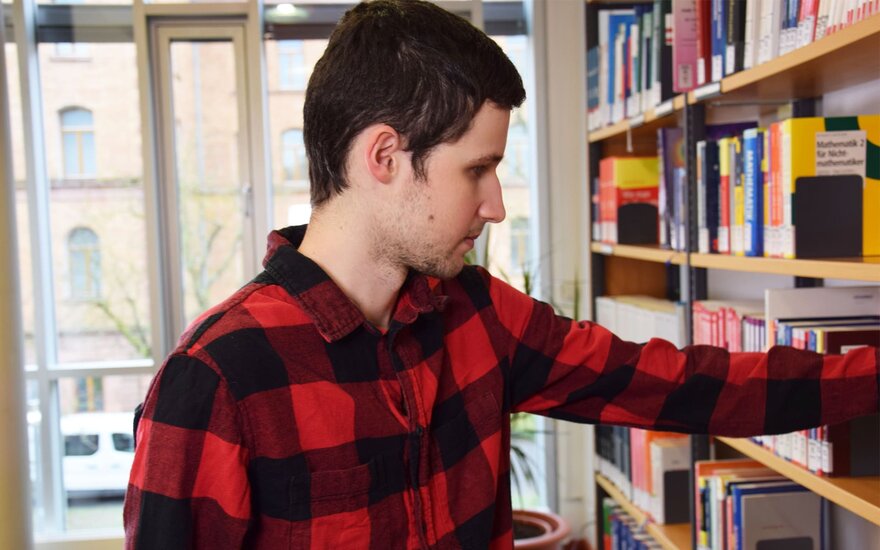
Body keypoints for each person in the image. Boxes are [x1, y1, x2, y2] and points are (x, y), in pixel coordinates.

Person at [123, 1, 879, 548]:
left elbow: (680, 383)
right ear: (384, 158)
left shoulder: (478, 315)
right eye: (476, 169)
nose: (494, 206)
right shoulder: (217, 379)